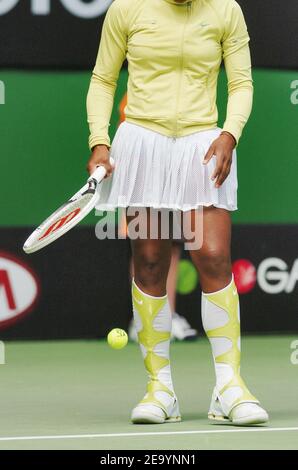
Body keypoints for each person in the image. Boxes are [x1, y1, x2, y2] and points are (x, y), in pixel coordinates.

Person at [86, 0, 268, 425]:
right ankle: (160, 390)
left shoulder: (226, 10)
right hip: (142, 142)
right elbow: (103, 78)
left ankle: (229, 387)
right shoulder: (126, 9)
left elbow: (241, 83)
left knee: (214, 256)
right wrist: (100, 140)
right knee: (150, 262)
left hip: (202, 143)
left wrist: (230, 134)